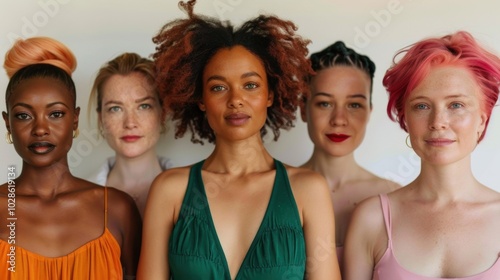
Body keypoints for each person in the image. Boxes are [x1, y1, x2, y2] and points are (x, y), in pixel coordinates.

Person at [137, 1, 341, 279]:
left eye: (250, 85)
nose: (235, 100)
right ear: (201, 100)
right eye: (219, 87)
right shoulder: (169, 190)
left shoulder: (308, 190)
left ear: (270, 94)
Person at [345, 31, 500, 279]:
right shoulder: (372, 219)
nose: (438, 122)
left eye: (456, 105)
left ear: (482, 120)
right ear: (405, 119)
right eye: (422, 106)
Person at [0, 37, 142, 280]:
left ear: (74, 119)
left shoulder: (118, 209)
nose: (40, 129)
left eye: (55, 114)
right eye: (24, 116)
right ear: (7, 123)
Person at [300, 41, 400, 271]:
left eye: (354, 105)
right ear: (302, 108)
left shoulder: (393, 196)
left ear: (369, 112)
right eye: (325, 103)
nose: (339, 119)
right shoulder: (276, 188)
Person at [87, 52, 173, 217]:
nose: (130, 123)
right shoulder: (79, 199)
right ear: (101, 118)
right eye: (115, 108)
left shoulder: (194, 193)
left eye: (144, 106)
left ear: (162, 113)